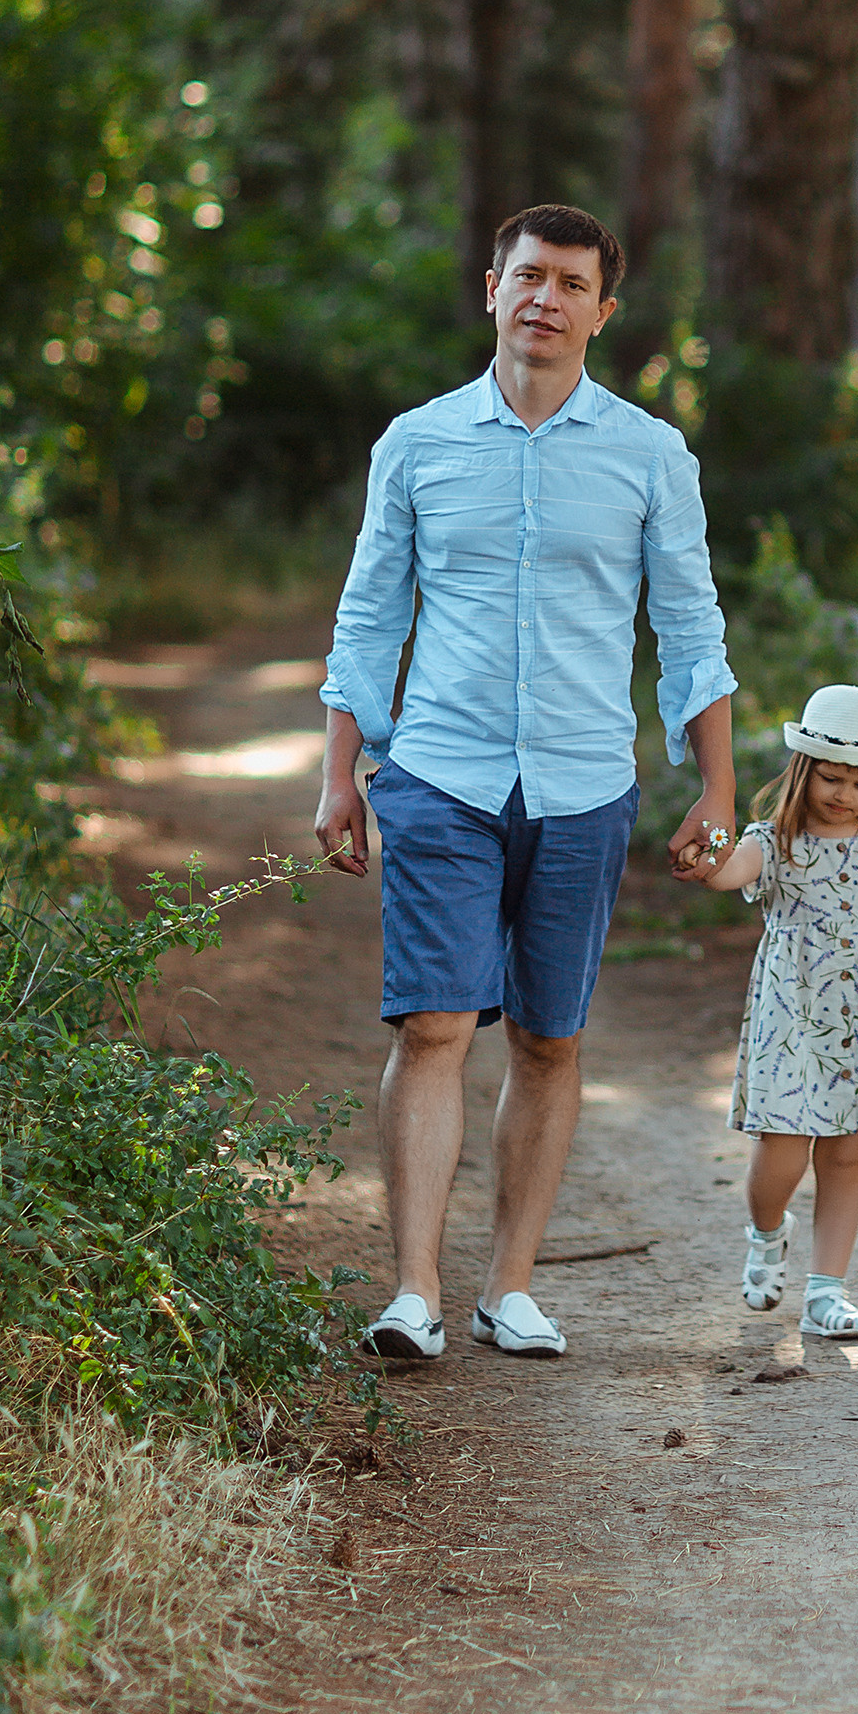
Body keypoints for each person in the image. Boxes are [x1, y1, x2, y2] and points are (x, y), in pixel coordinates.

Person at [314, 202, 738, 1364]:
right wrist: (340, 771)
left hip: (585, 781)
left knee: (549, 1035)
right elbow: (370, 614)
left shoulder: (651, 453)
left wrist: (717, 787)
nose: (544, 298)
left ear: (606, 309)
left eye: (570, 283)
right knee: (437, 1020)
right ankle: (413, 1290)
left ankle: (509, 1286)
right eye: (526, 275)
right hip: (439, 771)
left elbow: (690, 627)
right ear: (490, 288)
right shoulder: (417, 442)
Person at [678, 683, 858, 1339]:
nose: (845, 794)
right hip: (794, 1017)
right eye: (833, 778)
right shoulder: (774, 839)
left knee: (846, 1156)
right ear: (804, 770)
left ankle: (826, 1292)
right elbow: (731, 870)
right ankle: (765, 1230)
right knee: (781, 1155)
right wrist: (709, 856)